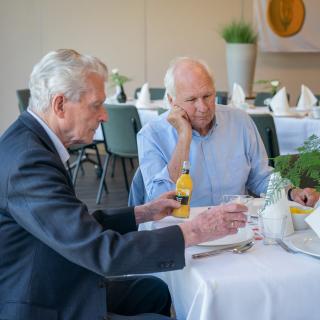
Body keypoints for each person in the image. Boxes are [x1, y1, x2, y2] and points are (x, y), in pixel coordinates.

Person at [0, 49, 248, 320]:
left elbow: (73, 225)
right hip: (43, 302)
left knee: (155, 290)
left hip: (57, 276)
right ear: (60, 105)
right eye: (96, 105)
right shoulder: (29, 163)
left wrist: (144, 212)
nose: (105, 115)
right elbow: (102, 252)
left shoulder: (31, 144)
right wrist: (194, 232)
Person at [137, 57, 319, 207]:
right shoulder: (151, 135)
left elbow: (261, 176)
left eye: (207, 96)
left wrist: (292, 192)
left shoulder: (239, 121)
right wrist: (184, 138)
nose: (203, 107)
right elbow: (160, 201)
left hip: (234, 227)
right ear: (171, 101)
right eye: (192, 99)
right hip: (180, 229)